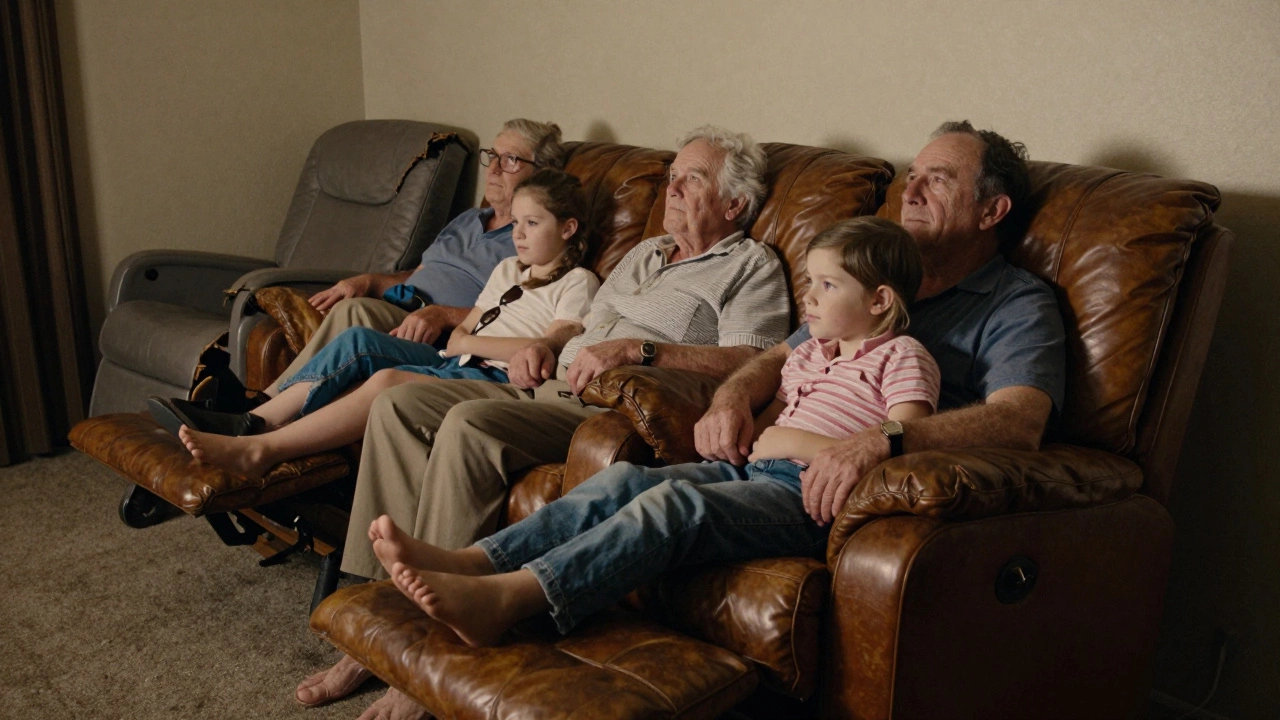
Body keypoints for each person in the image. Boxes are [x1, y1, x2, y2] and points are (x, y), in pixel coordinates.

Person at [294, 125, 791, 714]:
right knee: (397, 405)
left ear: (734, 204)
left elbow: (752, 358)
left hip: (611, 404)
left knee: (470, 426)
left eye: (693, 178)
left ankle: (423, 654)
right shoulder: (646, 252)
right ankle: (376, 620)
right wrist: (547, 345)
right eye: (672, 175)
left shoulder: (750, 265)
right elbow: (580, 324)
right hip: (548, 380)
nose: (673, 187)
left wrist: (641, 350)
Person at [366, 216, 940, 645]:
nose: (808, 297)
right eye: (809, 282)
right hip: (750, 473)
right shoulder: (811, 352)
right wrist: (745, 435)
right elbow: (774, 419)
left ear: (880, 300)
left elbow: (903, 443)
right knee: (623, 482)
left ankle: (511, 599)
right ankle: (476, 561)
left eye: (827, 286)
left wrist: (793, 444)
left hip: (805, 499)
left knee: (674, 506)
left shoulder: (902, 356)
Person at [696, 121, 1066, 528]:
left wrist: (883, 438)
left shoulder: (1018, 303)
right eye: (912, 177)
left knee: (677, 512)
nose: (909, 193)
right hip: (764, 462)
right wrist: (731, 397)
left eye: (937, 181)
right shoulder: (872, 276)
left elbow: (1020, 421)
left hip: (843, 488)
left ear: (991, 211)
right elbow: (783, 357)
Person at [166, 169, 599, 479]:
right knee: (357, 339)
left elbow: (546, 347)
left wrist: (474, 344)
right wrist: (469, 342)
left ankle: (262, 449)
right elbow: (461, 334)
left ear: (568, 228)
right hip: (455, 355)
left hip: (491, 374)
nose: (518, 234)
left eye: (532, 223)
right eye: (516, 223)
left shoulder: (578, 282)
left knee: (387, 380)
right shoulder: (507, 269)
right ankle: (251, 420)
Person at [195, 119, 565, 418]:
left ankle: (261, 406)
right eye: (492, 156)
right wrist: (370, 281)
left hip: (435, 331)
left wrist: (442, 315)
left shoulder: (529, 241)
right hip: (403, 304)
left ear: (543, 173)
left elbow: (516, 313)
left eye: (510, 160)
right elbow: (416, 274)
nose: (494, 168)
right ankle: (262, 406)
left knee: (354, 313)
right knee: (352, 301)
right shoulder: (468, 219)